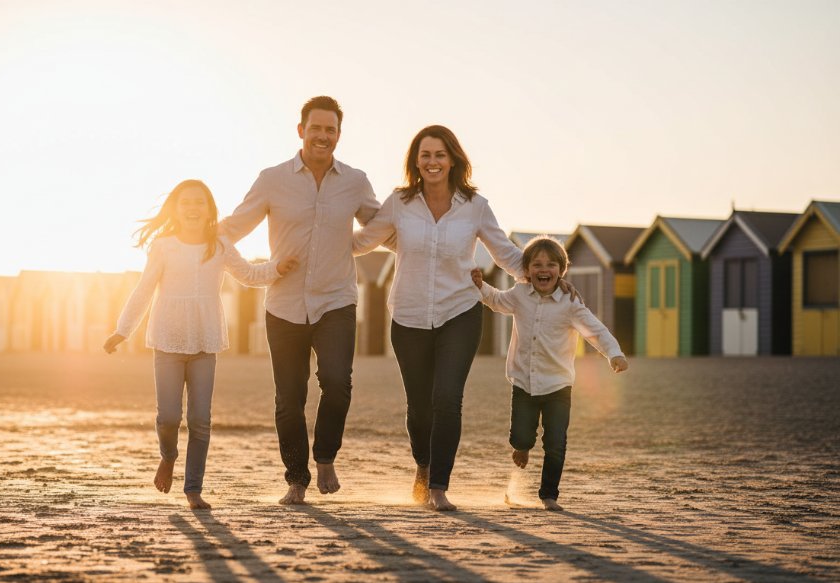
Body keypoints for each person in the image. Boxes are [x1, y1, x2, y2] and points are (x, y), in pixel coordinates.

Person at [352, 125, 535, 511]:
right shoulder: (400, 203)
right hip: (409, 315)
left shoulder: (475, 206)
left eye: (439, 154)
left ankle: (438, 485)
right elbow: (363, 241)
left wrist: (548, 277)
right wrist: (314, 240)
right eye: (425, 155)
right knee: (419, 406)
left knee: (447, 398)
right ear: (415, 162)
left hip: (460, 312)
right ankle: (423, 464)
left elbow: (506, 253)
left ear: (453, 159)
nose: (432, 162)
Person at [219, 96, 381, 505]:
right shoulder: (272, 179)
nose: (323, 136)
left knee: (337, 385)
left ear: (338, 135)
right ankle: (296, 477)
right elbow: (230, 230)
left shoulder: (355, 181)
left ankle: (324, 455)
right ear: (300, 131)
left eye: (331, 130)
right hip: (284, 305)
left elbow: (384, 230)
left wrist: (352, 246)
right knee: (289, 400)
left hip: (336, 301)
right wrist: (256, 272)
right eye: (316, 128)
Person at [104, 179, 298, 510]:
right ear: (175, 210)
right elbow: (144, 289)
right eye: (185, 203)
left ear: (209, 209)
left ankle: (193, 489)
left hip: (205, 342)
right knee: (167, 417)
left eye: (200, 202)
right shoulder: (164, 246)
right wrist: (123, 330)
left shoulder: (219, 244)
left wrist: (276, 268)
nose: (193, 208)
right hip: (167, 341)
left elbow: (249, 275)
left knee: (200, 419)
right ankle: (168, 456)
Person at [472, 236, 628, 511]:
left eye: (551, 265)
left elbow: (595, 331)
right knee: (521, 436)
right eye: (537, 264)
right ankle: (522, 446)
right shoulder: (520, 294)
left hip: (558, 385)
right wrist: (480, 286)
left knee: (555, 443)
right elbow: (496, 301)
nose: (544, 269)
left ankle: (549, 495)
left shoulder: (570, 303)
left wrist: (614, 353)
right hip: (523, 381)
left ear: (561, 270)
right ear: (527, 270)